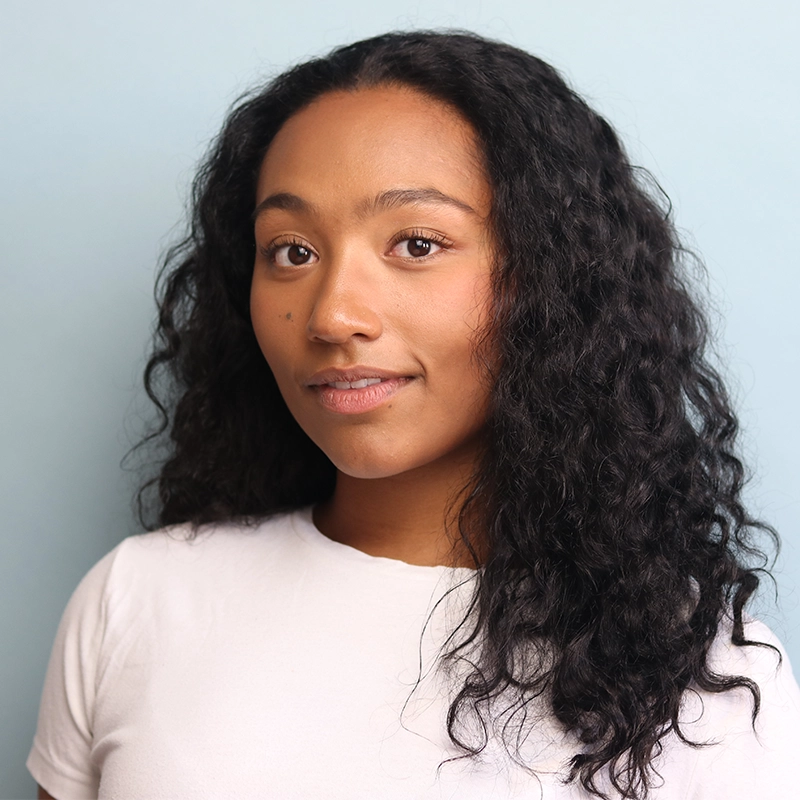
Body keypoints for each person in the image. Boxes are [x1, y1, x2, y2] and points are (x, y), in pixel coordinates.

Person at [27, 30, 800, 800]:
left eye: (418, 243)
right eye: (292, 251)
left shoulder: (709, 678)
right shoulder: (138, 598)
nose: (332, 315)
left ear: (547, 282)